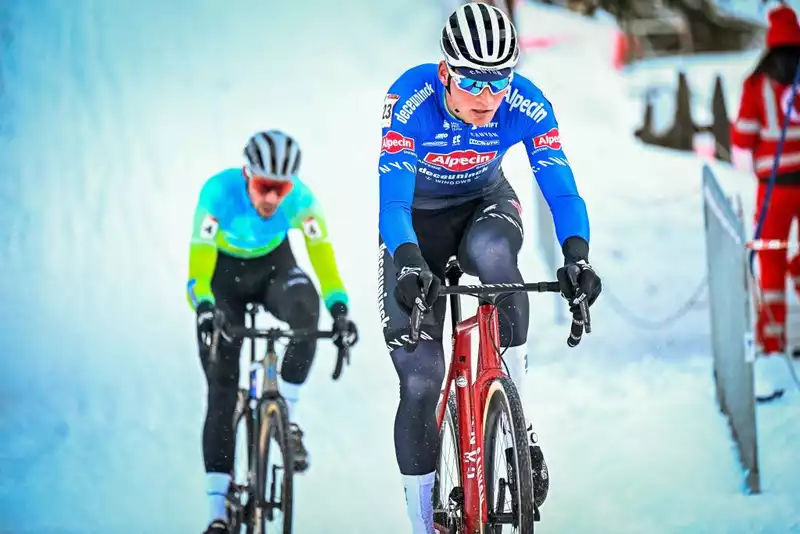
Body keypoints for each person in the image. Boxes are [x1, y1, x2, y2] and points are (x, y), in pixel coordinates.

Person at [377, 3, 602, 532]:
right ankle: (423, 522)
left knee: (498, 259)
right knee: (421, 378)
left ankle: (516, 423)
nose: (486, 97)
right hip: (418, 224)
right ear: (444, 73)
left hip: (486, 206)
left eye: (498, 81)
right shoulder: (408, 101)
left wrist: (577, 254)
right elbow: (391, 202)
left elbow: (559, 184)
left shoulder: (525, 102)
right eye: (473, 82)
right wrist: (407, 258)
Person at [186, 130, 358, 534]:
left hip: (273, 269)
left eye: (280, 188)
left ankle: (286, 418)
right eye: (264, 187)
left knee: (306, 312)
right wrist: (206, 308)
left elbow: (322, 255)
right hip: (222, 280)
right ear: (247, 174)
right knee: (222, 391)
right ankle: (216, 512)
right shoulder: (218, 193)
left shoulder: (301, 199)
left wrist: (339, 307)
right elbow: (198, 266)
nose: (271, 198)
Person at [730, 3, 800, 402]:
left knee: (770, 258)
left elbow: (743, 139)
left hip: (775, 185)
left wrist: (750, 160)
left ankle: (772, 341)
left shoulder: (757, 83)